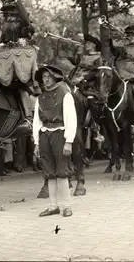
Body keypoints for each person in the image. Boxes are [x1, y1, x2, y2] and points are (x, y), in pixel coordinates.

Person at [0, 0, 40, 137]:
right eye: (7, 14)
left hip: (20, 68)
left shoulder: (24, 28)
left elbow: (27, 21)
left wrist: (18, 0)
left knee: (20, 86)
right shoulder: (1, 29)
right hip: (1, 67)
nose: (9, 18)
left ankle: (28, 119)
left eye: (13, 14)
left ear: (18, 16)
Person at [32, 64, 77, 217]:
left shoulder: (65, 94)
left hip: (60, 134)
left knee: (62, 171)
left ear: (55, 77)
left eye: (48, 76)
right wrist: (37, 143)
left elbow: (71, 118)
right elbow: (36, 122)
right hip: (45, 135)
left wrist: (69, 141)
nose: (46, 80)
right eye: (44, 77)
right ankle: (53, 206)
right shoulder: (41, 98)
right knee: (49, 172)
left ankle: (66, 206)